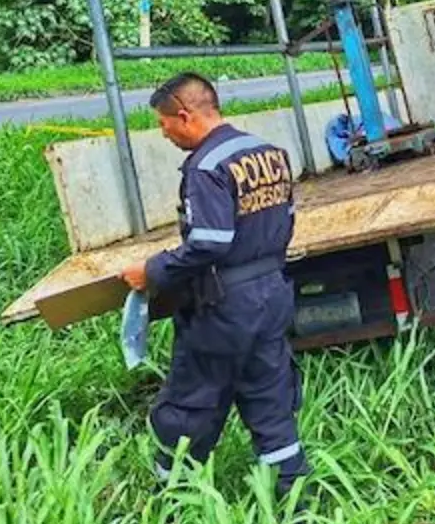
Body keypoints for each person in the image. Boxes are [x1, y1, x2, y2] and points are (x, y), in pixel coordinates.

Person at [120, 72, 309, 496]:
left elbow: (210, 242)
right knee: (271, 403)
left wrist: (152, 271)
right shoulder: (269, 153)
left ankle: (174, 506)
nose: (163, 133)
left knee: (191, 404)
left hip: (223, 308)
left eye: (163, 123)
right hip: (272, 295)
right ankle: (299, 510)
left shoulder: (206, 166)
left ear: (183, 115)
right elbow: (287, 222)